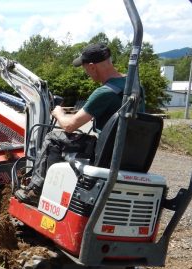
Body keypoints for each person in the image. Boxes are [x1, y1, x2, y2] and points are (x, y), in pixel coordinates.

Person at [15, 43, 127, 204]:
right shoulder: (133, 86)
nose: (87, 73)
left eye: (85, 69)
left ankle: (36, 190)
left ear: (92, 67)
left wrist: (59, 113)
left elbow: (69, 125)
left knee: (54, 137)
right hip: (125, 153)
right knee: (77, 138)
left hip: (104, 153)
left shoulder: (105, 92)